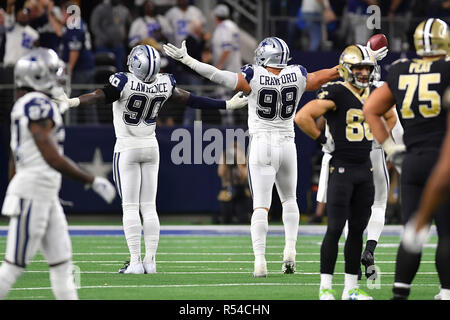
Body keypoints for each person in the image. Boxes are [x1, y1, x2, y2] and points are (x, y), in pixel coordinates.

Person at [55, 44, 248, 274]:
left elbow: (99, 96)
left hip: (127, 148)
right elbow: (193, 100)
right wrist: (226, 104)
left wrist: (73, 101)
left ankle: (136, 262)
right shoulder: (165, 83)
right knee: (149, 207)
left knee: (130, 207)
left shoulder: (123, 82)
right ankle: (151, 261)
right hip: (150, 147)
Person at [163, 36, 339, 277]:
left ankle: (260, 262)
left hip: (262, 144)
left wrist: (187, 60)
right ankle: (290, 252)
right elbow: (329, 74)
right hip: (287, 144)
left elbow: (217, 75)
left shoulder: (253, 75)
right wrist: (363, 58)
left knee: (260, 207)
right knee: (289, 200)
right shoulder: (298, 74)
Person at [0, 48, 116, 300]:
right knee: (13, 267)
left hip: (44, 194)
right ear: (38, 76)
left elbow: (14, 159)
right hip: (34, 193)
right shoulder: (36, 104)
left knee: (63, 265)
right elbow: (51, 156)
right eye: (53, 72)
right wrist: (92, 179)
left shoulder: (29, 103)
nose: (59, 76)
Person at [363, 18, 450, 300]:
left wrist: (390, 148)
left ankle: (400, 293)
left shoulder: (401, 70)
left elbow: (371, 108)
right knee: (447, 232)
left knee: (413, 229)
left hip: (412, 161)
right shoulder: (447, 69)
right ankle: (447, 291)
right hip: (442, 158)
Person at [296, 44, 384, 300]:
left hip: (365, 169)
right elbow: (302, 117)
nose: (364, 73)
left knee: (357, 231)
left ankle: (351, 289)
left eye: (367, 68)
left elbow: (389, 116)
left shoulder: (374, 94)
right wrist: (323, 140)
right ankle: (325, 288)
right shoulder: (335, 90)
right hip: (342, 168)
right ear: (346, 69)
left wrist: (389, 144)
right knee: (334, 228)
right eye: (358, 68)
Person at [313, 40, 404, 280]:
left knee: (341, 216)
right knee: (378, 204)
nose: (364, 72)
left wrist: (323, 140)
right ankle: (369, 249)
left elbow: (315, 119)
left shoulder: (336, 90)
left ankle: (340, 280)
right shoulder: (379, 88)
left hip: (343, 154)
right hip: (371, 150)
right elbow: (393, 120)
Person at [60, 1, 96, 125]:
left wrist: (69, 70)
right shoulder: (78, 21)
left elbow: (74, 50)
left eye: (62, 12)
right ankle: (94, 130)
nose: (61, 15)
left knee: (72, 100)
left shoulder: (73, 24)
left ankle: (71, 128)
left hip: (80, 69)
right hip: (88, 67)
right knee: (89, 101)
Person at [90, 0, 132, 71]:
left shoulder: (124, 10)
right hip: (103, 45)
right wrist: (104, 38)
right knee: (104, 70)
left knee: (120, 69)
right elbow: (94, 26)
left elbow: (129, 25)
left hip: (119, 46)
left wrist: (125, 37)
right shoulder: (100, 9)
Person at [216, 141, 251, 224]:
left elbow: (245, 176)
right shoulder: (225, 157)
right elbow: (221, 173)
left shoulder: (242, 159)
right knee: (226, 220)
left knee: (243, 219)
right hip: (228, 189)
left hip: (240, 190)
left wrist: (239, 162)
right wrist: (225, 161)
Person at [2, 0, 39, 67]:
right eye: (20, 15)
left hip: (25, 67)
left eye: (24, 15)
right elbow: (8, 16)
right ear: (17, 16)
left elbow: (36, 52)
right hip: (10, 64)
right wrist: (9, 5)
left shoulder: (34, 34)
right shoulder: (12, 27)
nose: (22, 16)